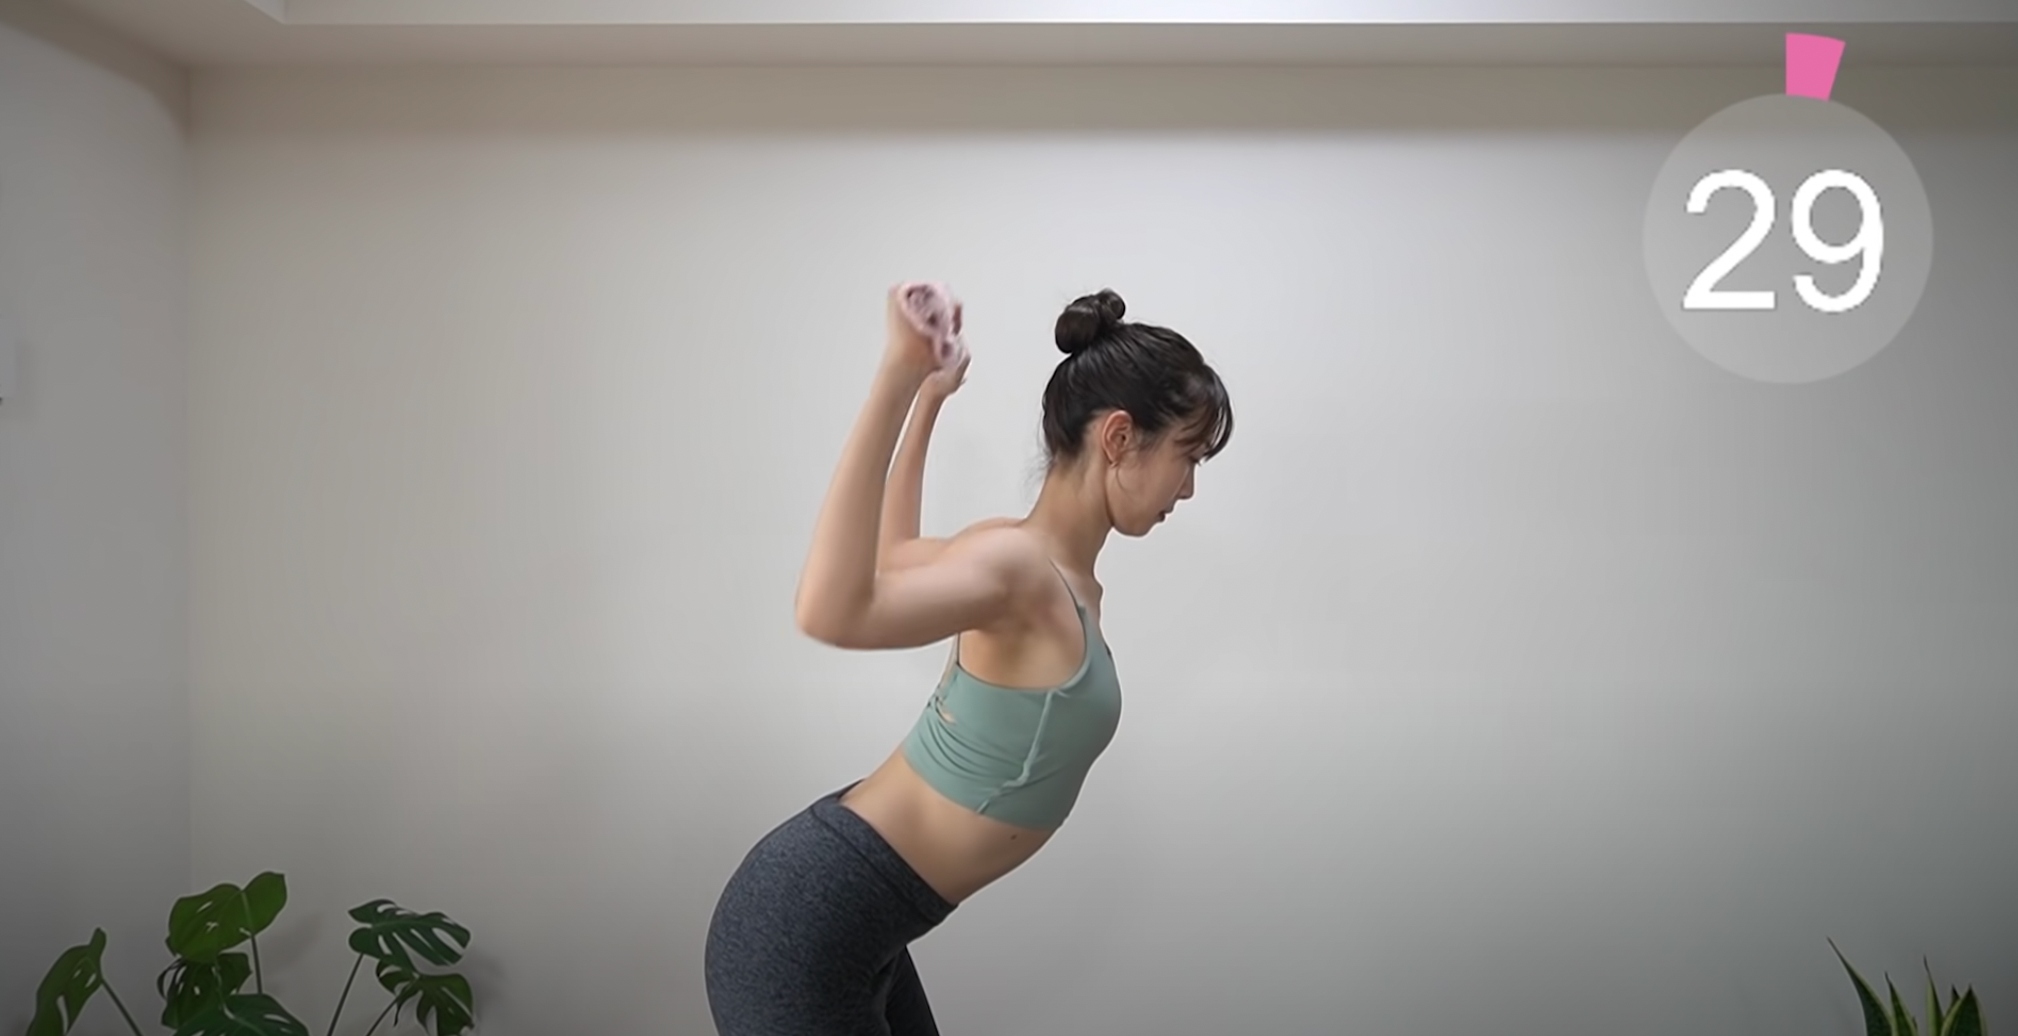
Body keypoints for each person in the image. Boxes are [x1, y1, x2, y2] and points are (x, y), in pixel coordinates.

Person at [704, 286, 1234, 1036]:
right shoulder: (1021, 571)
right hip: (807, 926)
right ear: (1119, 437)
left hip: (863, 921)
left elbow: (892, 556)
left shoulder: (1022, 556)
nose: (1189, 486)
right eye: (1186, 456)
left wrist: (928, 402)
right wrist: (898, 375)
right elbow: (831, 609)